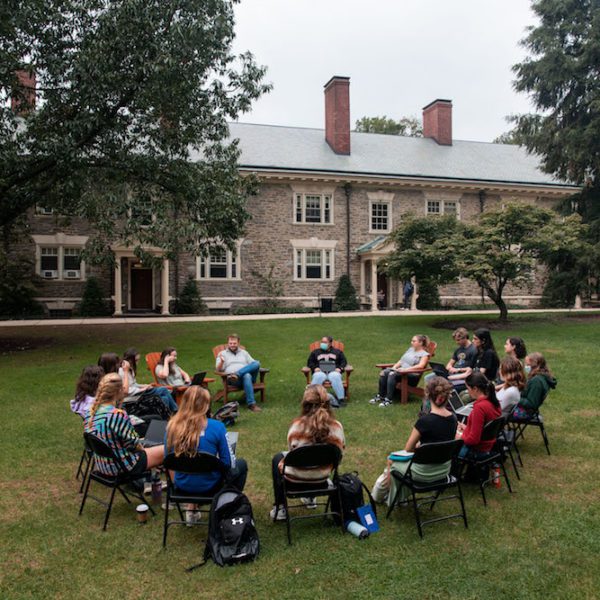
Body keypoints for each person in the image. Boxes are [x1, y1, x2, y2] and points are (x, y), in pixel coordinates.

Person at [165, 386, 248, 525]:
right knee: (241, 464)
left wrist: (176, 482)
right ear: (206, 405)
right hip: (210, 486)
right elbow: (228, 464)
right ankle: (225, 507)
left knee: (193, 467)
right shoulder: (217, 427)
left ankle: (191, 509)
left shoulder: (171, 427)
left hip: (181, 486)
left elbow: (168, 460)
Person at [371, 377, 458, 506]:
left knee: (391, 460)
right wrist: (424, 447)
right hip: (443, 470)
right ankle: (398, 499)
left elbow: (408, 448)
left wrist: (420, 448)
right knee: (404, 465)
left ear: (428, 395)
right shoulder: (453, 419)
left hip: (421, 473)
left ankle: (379, 498)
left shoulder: (425, 421)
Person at [270, 385, 345, 521]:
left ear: (305, 403)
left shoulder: (296, 426)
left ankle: (280, 508)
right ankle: (311, 499)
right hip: (321, 480)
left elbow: (292, 452)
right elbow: (338, 458)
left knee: (278, 458)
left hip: (294, 482)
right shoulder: (337, 427)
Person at [84, 373, 164, 477]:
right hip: (123, 466)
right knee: (168, 447)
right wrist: (147, 445)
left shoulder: (90, 413)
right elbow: (134, 445)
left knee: (152, 440)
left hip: (102, 465)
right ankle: (172, 485)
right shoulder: (117, 415)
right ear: (119, 391)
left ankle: (151, 478)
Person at [370, 334, 430, 407]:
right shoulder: (410, 349)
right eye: (412, 341)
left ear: (420, 343)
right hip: (401, 371)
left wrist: (405, 369)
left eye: (414, 341)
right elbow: (401, 361)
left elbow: (421, 366)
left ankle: (388, 399)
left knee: (392, 374)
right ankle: (381, 395)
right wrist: (394, 368)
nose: (411, 342)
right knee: (384, 372)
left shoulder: (424, 354)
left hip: (411, 375)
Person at [456, 372, 501, 461]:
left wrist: (459, 437)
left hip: (476, 450)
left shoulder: (480, 408)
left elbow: (473, 440)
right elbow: (484, 429)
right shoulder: (494, 402)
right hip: (488, 446)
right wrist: (467, 428)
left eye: (468, 388)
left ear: (475, 388)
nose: (467, 391)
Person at [119, 347, 178, 413]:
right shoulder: (122, 371)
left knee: (164, 398)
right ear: (129, 360)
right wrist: (142, 389)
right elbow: (126, 390)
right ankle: (176, 411)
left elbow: (133, 384)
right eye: (136, 360)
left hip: (138, 392)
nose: (137, 362)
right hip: (133, 396)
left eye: (138, 360)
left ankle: (165, 417)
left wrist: (144, 385)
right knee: (162, 389)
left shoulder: (130, 369)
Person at [216, 333, 262, 413]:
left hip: (244, 377)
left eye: (234, 343)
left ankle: (238, 374)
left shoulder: (244, 353)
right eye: (230, 343)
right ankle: (251, 405)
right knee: (247, 375)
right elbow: (218, 369)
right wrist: (222, 362)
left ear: (238, 343)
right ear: (228, 343)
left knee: (256, 363)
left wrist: (240, 373)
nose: (232, 345)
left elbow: (253, 363)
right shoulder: (222, 354)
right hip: (232, 379)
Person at [512, 353, 557, 419]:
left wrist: (515, 399)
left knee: (498, 411)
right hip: (526, 410)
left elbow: (531, 403)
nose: (525, 367)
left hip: (525, 412)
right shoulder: (539, 377)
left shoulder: (537, 381)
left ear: (535, 365)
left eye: (527, 364)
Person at [307, 336, 347, 405]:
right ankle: (311, 398)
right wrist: (314, 368)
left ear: (330, 343)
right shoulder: (315, 352)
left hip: (333, 371)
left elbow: (344, 362)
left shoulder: (338, 352)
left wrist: (340, 368)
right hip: (320, 372)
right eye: (322, 342)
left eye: (325, 342)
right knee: (318, 376)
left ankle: (341, 399)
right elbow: (310, 362)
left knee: (335, 376)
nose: (323, 343)